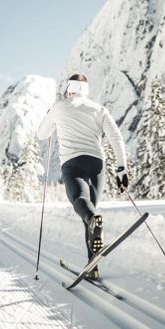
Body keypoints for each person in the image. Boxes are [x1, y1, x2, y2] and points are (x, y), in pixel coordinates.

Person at [37, 74, 129, 280]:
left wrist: (50, 114)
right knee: (91, 214)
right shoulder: (99, 109)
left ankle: (92, 249)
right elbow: (116, 137)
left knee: (83, 205)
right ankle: (92, 265)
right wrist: (122, 169)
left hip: (73, 163)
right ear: (85, 90)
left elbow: (42, 134)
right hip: (97, 163)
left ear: (69, 89)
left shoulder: (59, 106)